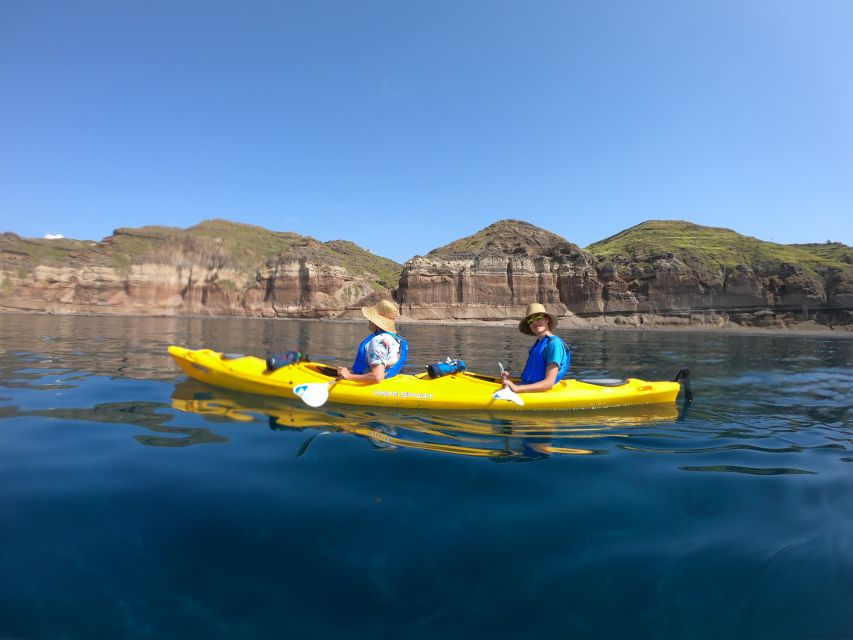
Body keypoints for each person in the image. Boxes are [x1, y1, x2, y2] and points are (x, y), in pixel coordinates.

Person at [501, 302, 570, 393]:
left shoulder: (554, 345)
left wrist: (517, 388)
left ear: (547, 319)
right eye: (530, 320)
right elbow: (531, 376)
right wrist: (509, 380)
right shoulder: (539, 344)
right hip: (528, 386)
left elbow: (549, 383)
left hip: (541, 392)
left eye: (538, 318)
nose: (534, 322)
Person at [337, 299, 408, 384]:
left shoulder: (378, 341)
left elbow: (377, 377)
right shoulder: (395, 340)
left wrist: (349, 376)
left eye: (371, 318)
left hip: (372, 386)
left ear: (376, 321)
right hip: (388, 382)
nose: (369, 320)